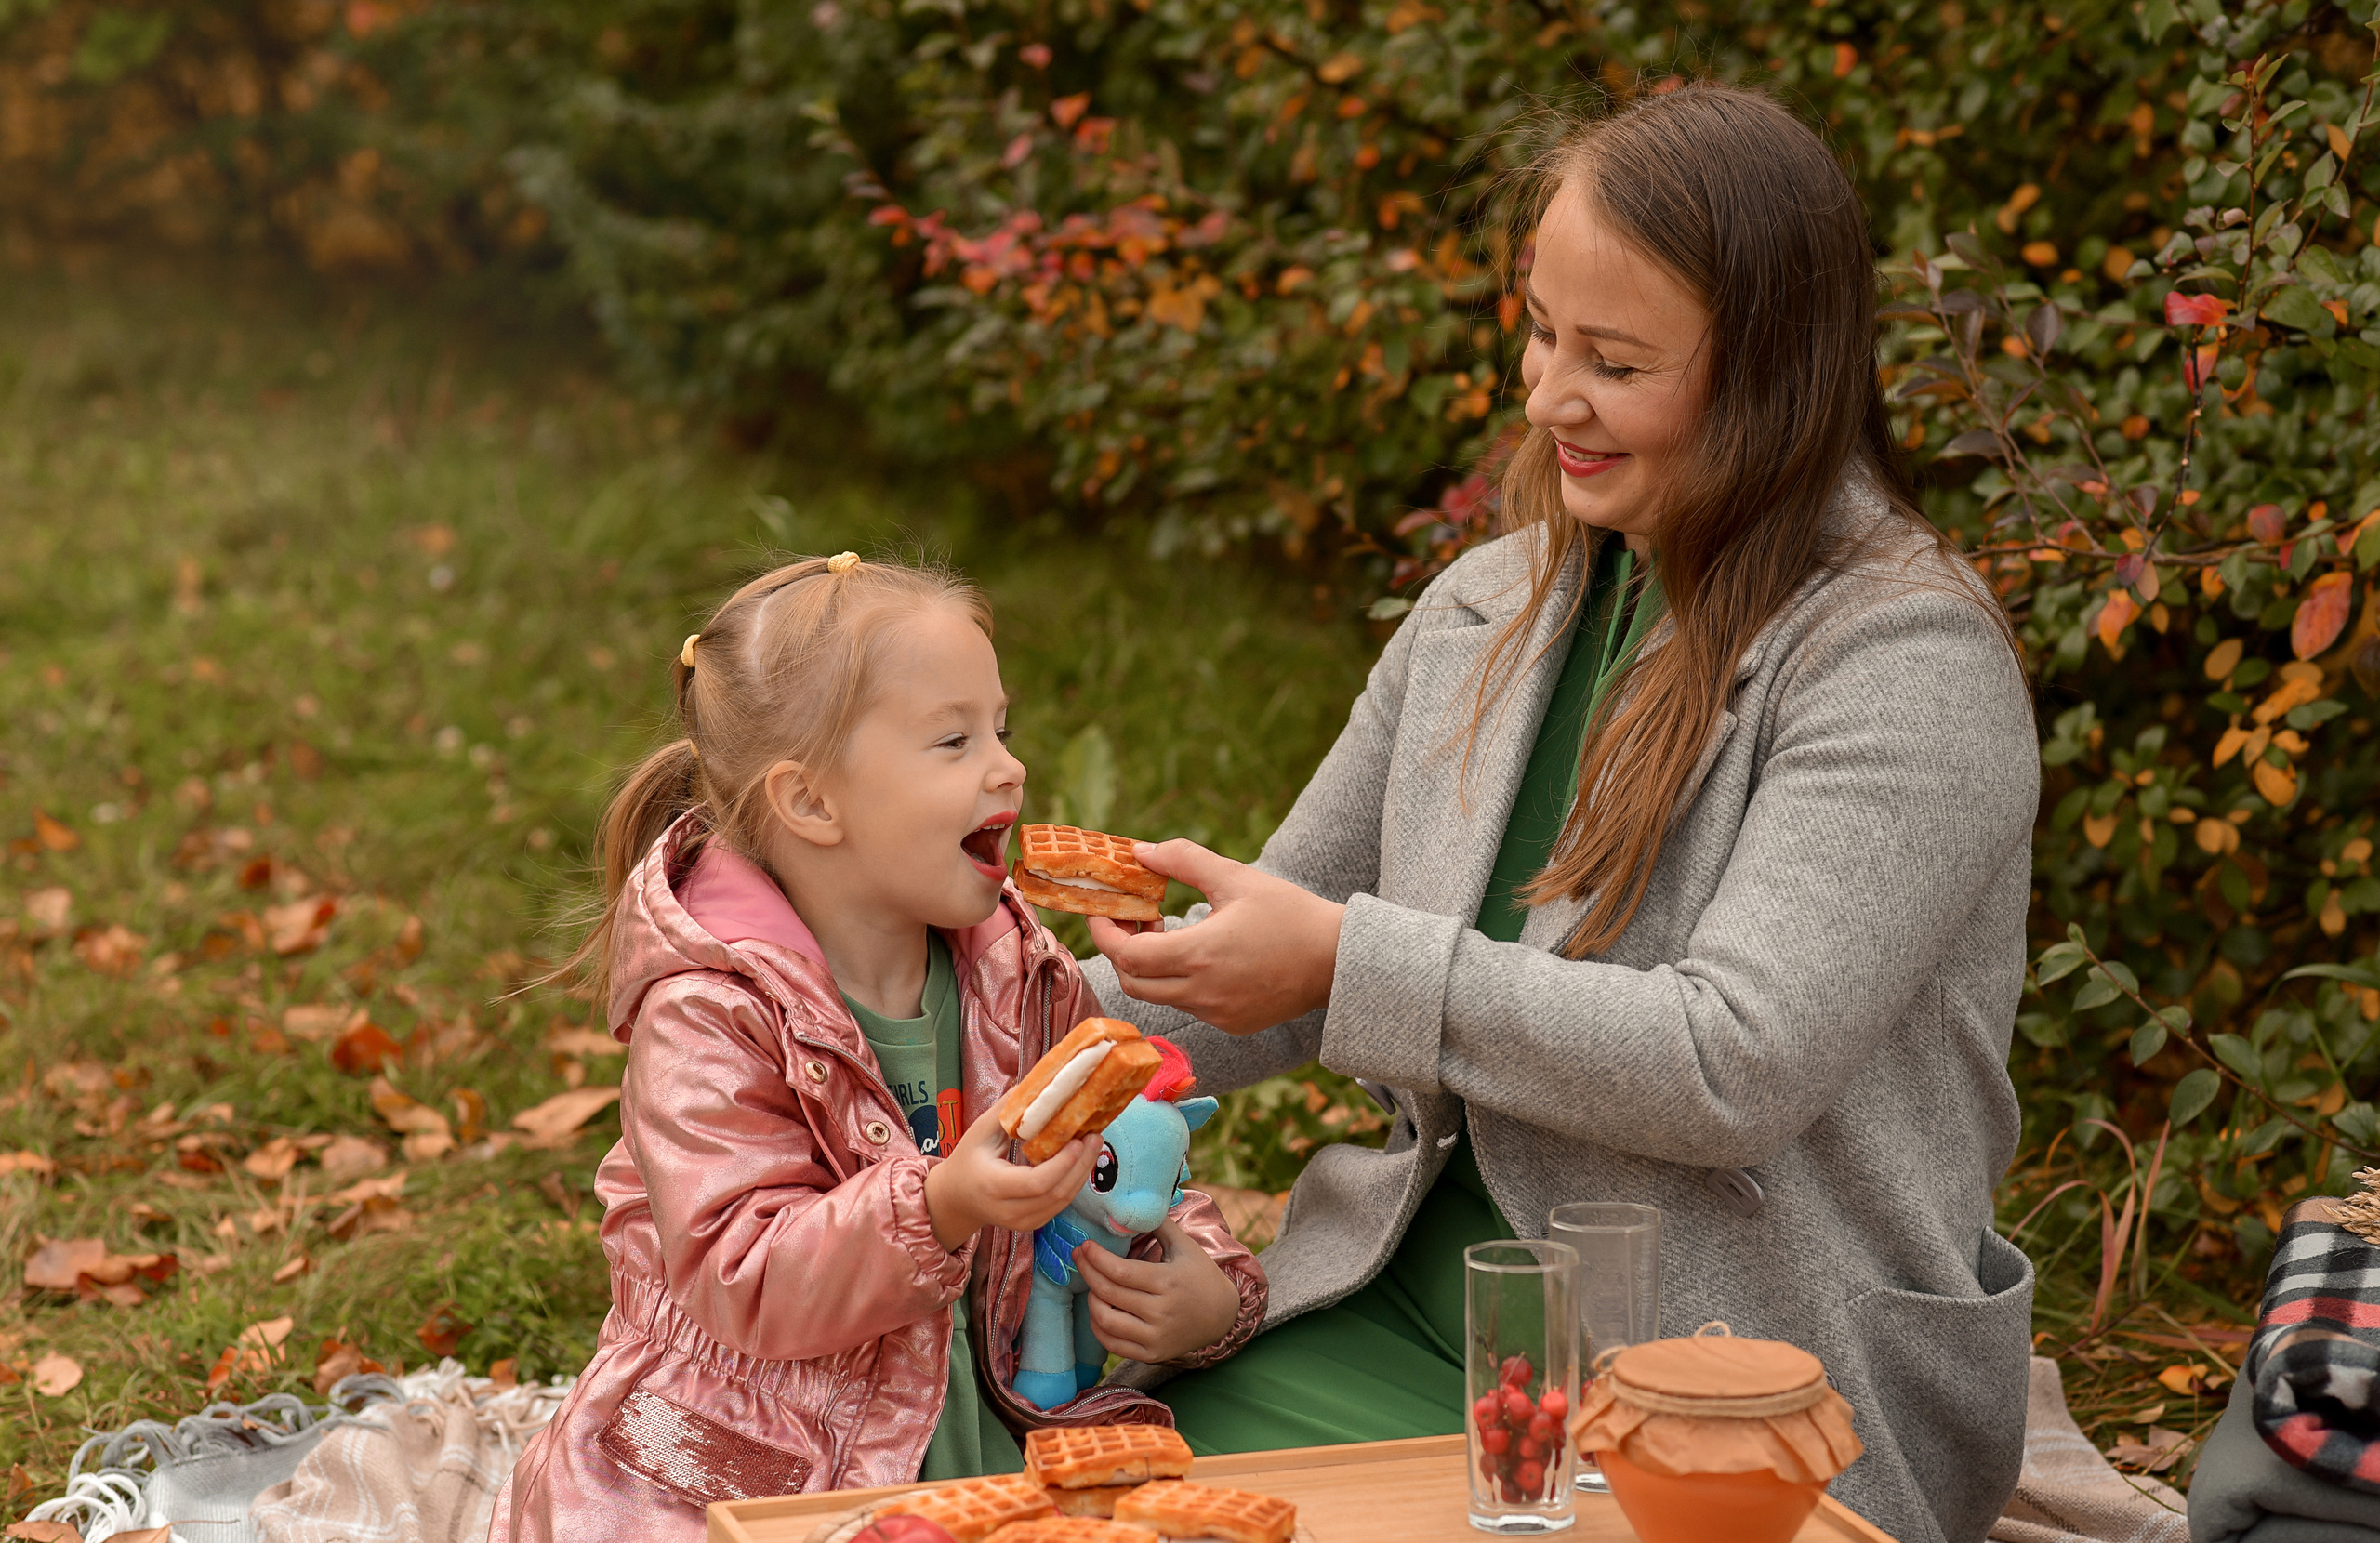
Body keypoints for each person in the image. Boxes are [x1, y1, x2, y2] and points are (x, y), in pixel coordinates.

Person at [1084, 83, 2040, 1543]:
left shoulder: (1906, 661)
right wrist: (907, 1037)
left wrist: (1347, 964)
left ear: (1772, 374)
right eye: (1540, 333)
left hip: (1732, 1385)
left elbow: (1733, 1066)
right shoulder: (1487, 607)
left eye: (1614, 360)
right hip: (1409, 1312)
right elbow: (1251, 977)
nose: (1547, 397)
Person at [495, 554, 1263, 1543]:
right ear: (811, 802)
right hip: (750, 1465)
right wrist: (940, 1203)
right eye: (953, 739)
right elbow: (743, 1275)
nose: (1008, 766)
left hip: (995, 1436)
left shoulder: (1016, 968)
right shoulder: (709, 1011)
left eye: (1001, 727)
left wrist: (1201, 1276)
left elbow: (1128, 1151)